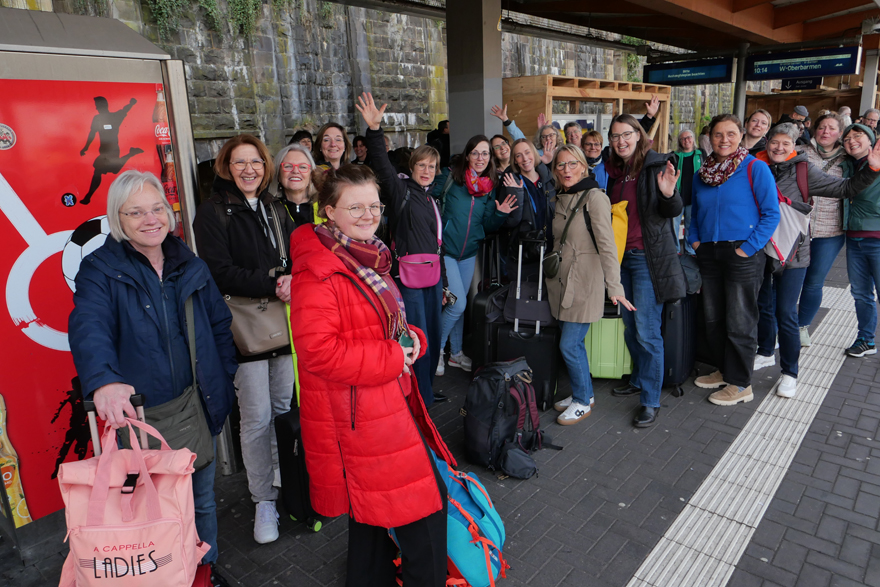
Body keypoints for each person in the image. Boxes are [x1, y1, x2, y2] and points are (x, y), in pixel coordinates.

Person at [288, 164, 455, 587]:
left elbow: (387, 324)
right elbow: (318, 352)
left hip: (384, 402)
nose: (368, 214)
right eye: (355, 206)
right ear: (328, 211)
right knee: (425, 508)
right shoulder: (321, 271)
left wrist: (411, 338)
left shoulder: (369, 255)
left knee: (374, 513)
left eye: (374, 205)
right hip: (359, 415)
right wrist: (392, 357)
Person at [69, 170, 237, 587]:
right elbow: (88, 325)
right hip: (142, 416)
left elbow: (220, 326)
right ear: (118, 219)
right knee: (153, 509)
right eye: (136, 212)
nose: (151, 219)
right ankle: (163, 575)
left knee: (200, 500)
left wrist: (224, 374)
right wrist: (103, 379)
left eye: (157, 208)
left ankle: (203, 572)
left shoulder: (189, 263)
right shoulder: (99, 269)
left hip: (195, 404)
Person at [193, 134, 296, 545]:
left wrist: (291, 278)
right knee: (254, 418)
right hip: (245, 328)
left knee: (283, 406)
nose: (249, 169)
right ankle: (262, 500)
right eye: (239, 163)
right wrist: (275, 282)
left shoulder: (273, 206)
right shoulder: (212, 212)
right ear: (225, 167)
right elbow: (219, 272)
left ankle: (279, 474)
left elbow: (292, 256)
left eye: (255, 162)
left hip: (283, 322)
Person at [753, 123, 880, 398]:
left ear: (794, 146)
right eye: (775, 142)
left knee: (786, 312)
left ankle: (790, 372)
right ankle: (764, 352)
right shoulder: (754, 166)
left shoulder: (803, 170)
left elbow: (845, 188)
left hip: (793, 252)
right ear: (767, 143)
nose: (779, 147)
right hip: (758, 251)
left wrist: (871, 169)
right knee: (764, 305)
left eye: (786, 143)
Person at [355, 92, 447, 406]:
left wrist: (444, 282)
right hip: (407, 279)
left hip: (433, 278)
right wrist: (375, 131)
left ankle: (427, 392)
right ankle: (418, 397)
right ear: (412, 166)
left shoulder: (432, 199)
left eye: (432, 166)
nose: (427, 170)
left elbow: (438, 246)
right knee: (415, 337)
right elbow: (381, 164)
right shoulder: (400, 191)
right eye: (422, 165)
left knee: (431, 337)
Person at [602, 114, 686, 427]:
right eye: (615, 136)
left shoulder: (655, 167)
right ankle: (638, 378)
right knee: (629, 326)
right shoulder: (617, 173)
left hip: (646, 260)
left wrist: (668, 193)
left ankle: (650, 400)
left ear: (639, 136)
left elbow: (672, 210)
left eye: (626, 134)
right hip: (620, 260)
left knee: (648, 332)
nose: (620, 141)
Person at [690, 114, 780, 406]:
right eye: (718, 134)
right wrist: (695, 241)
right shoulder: (702, 173)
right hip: (709, 252)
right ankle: (723, 370)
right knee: (714, 317)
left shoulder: (756, 168)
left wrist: (748, 247)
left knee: (740, 319)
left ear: (741, 136)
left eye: (730, 134)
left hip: (742, 252)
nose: (724, 140)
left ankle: (741, 384)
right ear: (710, 138)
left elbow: (771, 214)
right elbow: (694, 214)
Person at [545, 145, 634, 425]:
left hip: (584, 282)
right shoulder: (561, 197)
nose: (566, 170)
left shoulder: (595, 198)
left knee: (569, 344)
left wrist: (615, 286)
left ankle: (583, 402)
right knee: (575, 344)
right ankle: (585, 394)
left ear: (584, 166)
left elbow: (607, 245)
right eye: (560, 165)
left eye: (572, 164)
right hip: (561, 282)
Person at [433, 135, 518, 376]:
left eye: (485, 153)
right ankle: (438, 351)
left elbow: (488, 225)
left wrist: (500, 214)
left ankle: (456, 354)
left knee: (460, 305)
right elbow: (428, 201)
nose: (480, 158)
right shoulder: (450, 179)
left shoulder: (489, 187)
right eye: (476, 153)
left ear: (490, 158)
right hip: (447, 252)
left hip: (469, 253)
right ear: (467, 155)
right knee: (457, 304)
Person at [799, 113, 849, 345]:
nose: (825, 131)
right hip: (798, 228)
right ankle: (783, 323)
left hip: (831, 232)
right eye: (821, 127)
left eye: (831, 128)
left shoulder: (849, 159)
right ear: (814, 130)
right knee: (788, 279)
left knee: (814, 281)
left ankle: (801, 326)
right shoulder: (800, 152)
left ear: (840, 133)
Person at [840, 123, 880, 357]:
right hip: (854, 238)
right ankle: (866, 339)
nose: (852, 140)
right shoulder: (848, 166)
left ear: (871, 140)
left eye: (858, 136)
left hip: (877, 237)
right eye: (847, 138)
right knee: (861, 293)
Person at [498, 138, 556, 277]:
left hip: (550, 249)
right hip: (523, 254)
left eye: (527, 152)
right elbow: (510, 222)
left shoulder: (549, 179)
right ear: (515, 160)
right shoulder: (510, 182)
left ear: (534, 154)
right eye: (518, 155)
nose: (524, 159)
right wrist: (515, 193)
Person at [79, 97, 144, 205]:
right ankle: (88, 196)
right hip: (103, 152)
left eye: (97, 105)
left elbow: (125, 110)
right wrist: (86, 147)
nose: (96, 107)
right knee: (98, 172)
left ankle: (131, 153)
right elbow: (92, 133)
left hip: (113, 150)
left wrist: (131, 103)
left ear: (102, 105)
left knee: (114, 170)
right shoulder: (97, 118)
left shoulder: (114, 116)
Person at [273, 143, 325, 227]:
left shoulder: (324, 206)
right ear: (278, 174)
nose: (295, 171)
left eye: (303, 167)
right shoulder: (269, 208)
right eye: (288, 166)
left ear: (311, 174)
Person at [673, 129, 703, 255]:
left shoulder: (700, 154)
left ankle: (690, 251)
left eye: (689, 137)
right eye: (683, 139)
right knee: (673, 225)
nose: (687, 140)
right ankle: (675, 250)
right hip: (678, 196)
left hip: (694, 196)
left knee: (691, 225)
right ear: (680, 142)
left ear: (693, 138)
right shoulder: (674, 156)